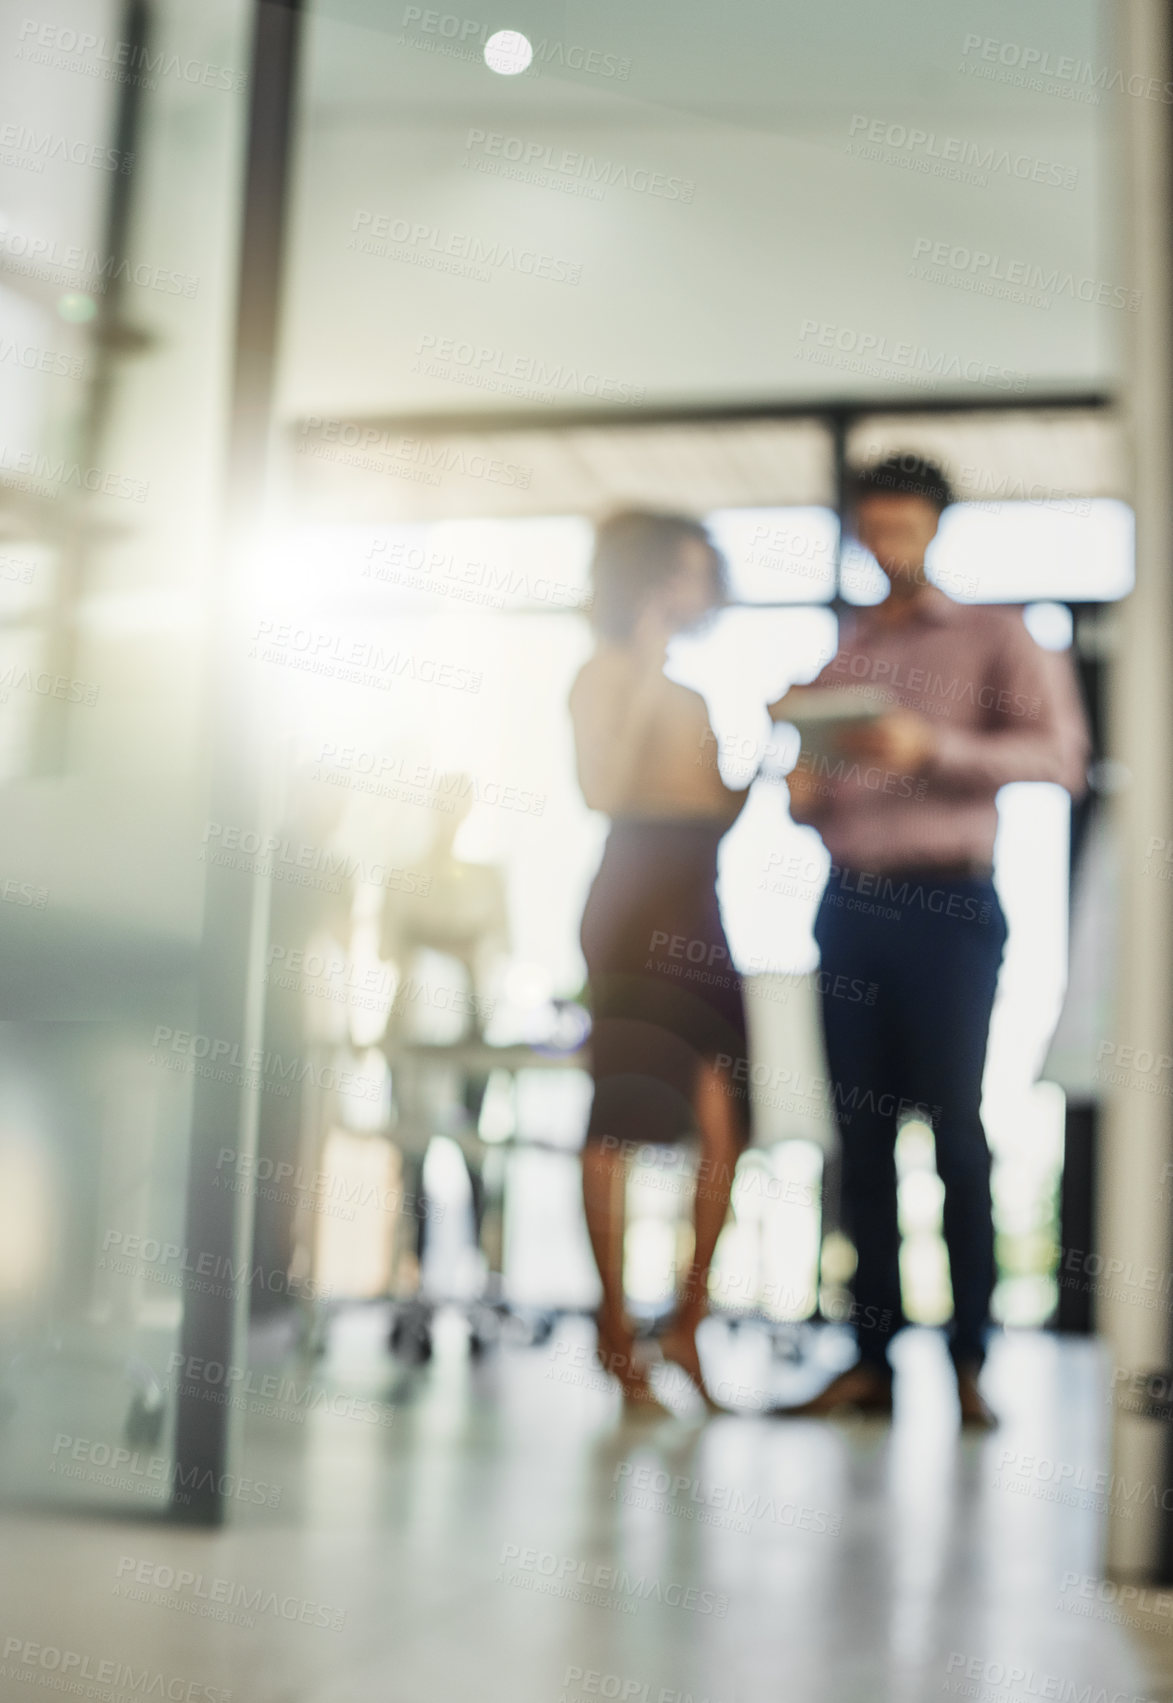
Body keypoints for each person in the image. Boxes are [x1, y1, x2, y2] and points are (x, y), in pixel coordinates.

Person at [770, 455, 1089, 1427]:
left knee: (955, 1131)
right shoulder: (845, 653)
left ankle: (969, 1364)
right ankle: (869, 1361)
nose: (886, 545)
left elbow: (1062, 758)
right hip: (849, 905)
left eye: (903, 527)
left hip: (949, 913)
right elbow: (816, 801)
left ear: (935, 527)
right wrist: (807, 789)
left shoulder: (997, 635)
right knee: (859, 1140)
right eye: (872, 529)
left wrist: (933, 747)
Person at [570, 511, 752, 1414]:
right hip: (634, 907)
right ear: (648, 582)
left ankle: (686, 1322)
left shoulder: (693, 694)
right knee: (618, 1118)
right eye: (683, 573)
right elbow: (602, 787)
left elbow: (712, 808)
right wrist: (639, 661)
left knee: (726, 1113)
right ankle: (612, 1329)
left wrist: (774, 769)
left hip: (703, 902)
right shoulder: (604, 675)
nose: (697, 589)